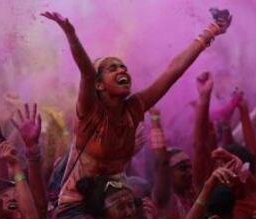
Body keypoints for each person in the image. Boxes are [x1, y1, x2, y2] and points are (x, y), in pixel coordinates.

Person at [40, 10, 232, 208]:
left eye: (123, 67)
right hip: (78, 206)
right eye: (112, 68)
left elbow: (173, 71)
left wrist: (211, 31)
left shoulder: (134, 108)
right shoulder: (89, 112)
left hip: (118, 205)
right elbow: (87, 73)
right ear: (99, 85)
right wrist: (71, 36)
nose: (122, 70)